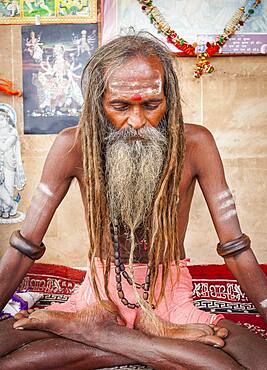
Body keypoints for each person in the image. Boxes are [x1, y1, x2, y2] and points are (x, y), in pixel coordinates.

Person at [0, 34, 267, 370]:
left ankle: (105, 334)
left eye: (151, 105)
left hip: (168, 296)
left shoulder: (196, 143)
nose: (137, 121)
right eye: (121, 106)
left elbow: (235, 247)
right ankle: (125, 331)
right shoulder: (73, 145)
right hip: (97, 295)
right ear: (99, 103)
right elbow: (25, 246)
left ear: (168, 99)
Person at [0, 106, 26, 219]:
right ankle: (11, 205)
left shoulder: (12, 132)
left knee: (8, 187)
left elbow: (5, 147)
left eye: (1, 119)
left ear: (7, 119)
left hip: (9, 164)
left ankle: (6, 210)